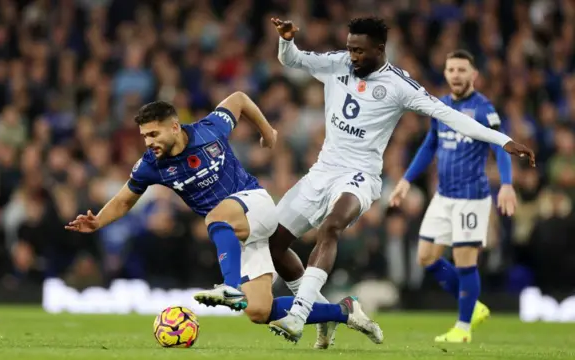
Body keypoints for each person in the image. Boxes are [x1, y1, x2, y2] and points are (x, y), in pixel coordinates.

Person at [266, 17, 535, 344]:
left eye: (360, 51)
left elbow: (448, 115)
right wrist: (286, 40)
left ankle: (299, 313)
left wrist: (501, 140)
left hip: (359, 176)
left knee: (331, 227)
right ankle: (329, 313)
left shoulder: (399, 85)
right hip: (322, 171)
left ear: (381, 49)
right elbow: (291, 59)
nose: (353, 57)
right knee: (275, 243)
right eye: (351, 49)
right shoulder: (337, 62)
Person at [65, 93, 377, 338]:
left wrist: (267, 130)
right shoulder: (151, 165)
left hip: (255, 204)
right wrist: (98, 221)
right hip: (237, 236)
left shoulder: (209, 129)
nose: (149, 142)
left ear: (175, 126)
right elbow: (123, 200)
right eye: (145, 136)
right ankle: (344, 311)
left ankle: (229, 287)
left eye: (154, 133)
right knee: (259, 311)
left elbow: (239, 98)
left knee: (215, 218)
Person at [388, 50, 515, 343]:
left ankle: (463, 327)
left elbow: (501, 146)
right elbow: (430, 144)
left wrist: (507, 184)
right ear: (445, 74)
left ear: (474, 75)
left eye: (461, 69)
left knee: (464, 260)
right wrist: (406, 179)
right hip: (443, 196)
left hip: (471, 197)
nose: (456, 75)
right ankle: (474, 305)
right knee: (425, 256)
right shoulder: (441, 106)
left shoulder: (484, 109)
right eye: (451, 70)